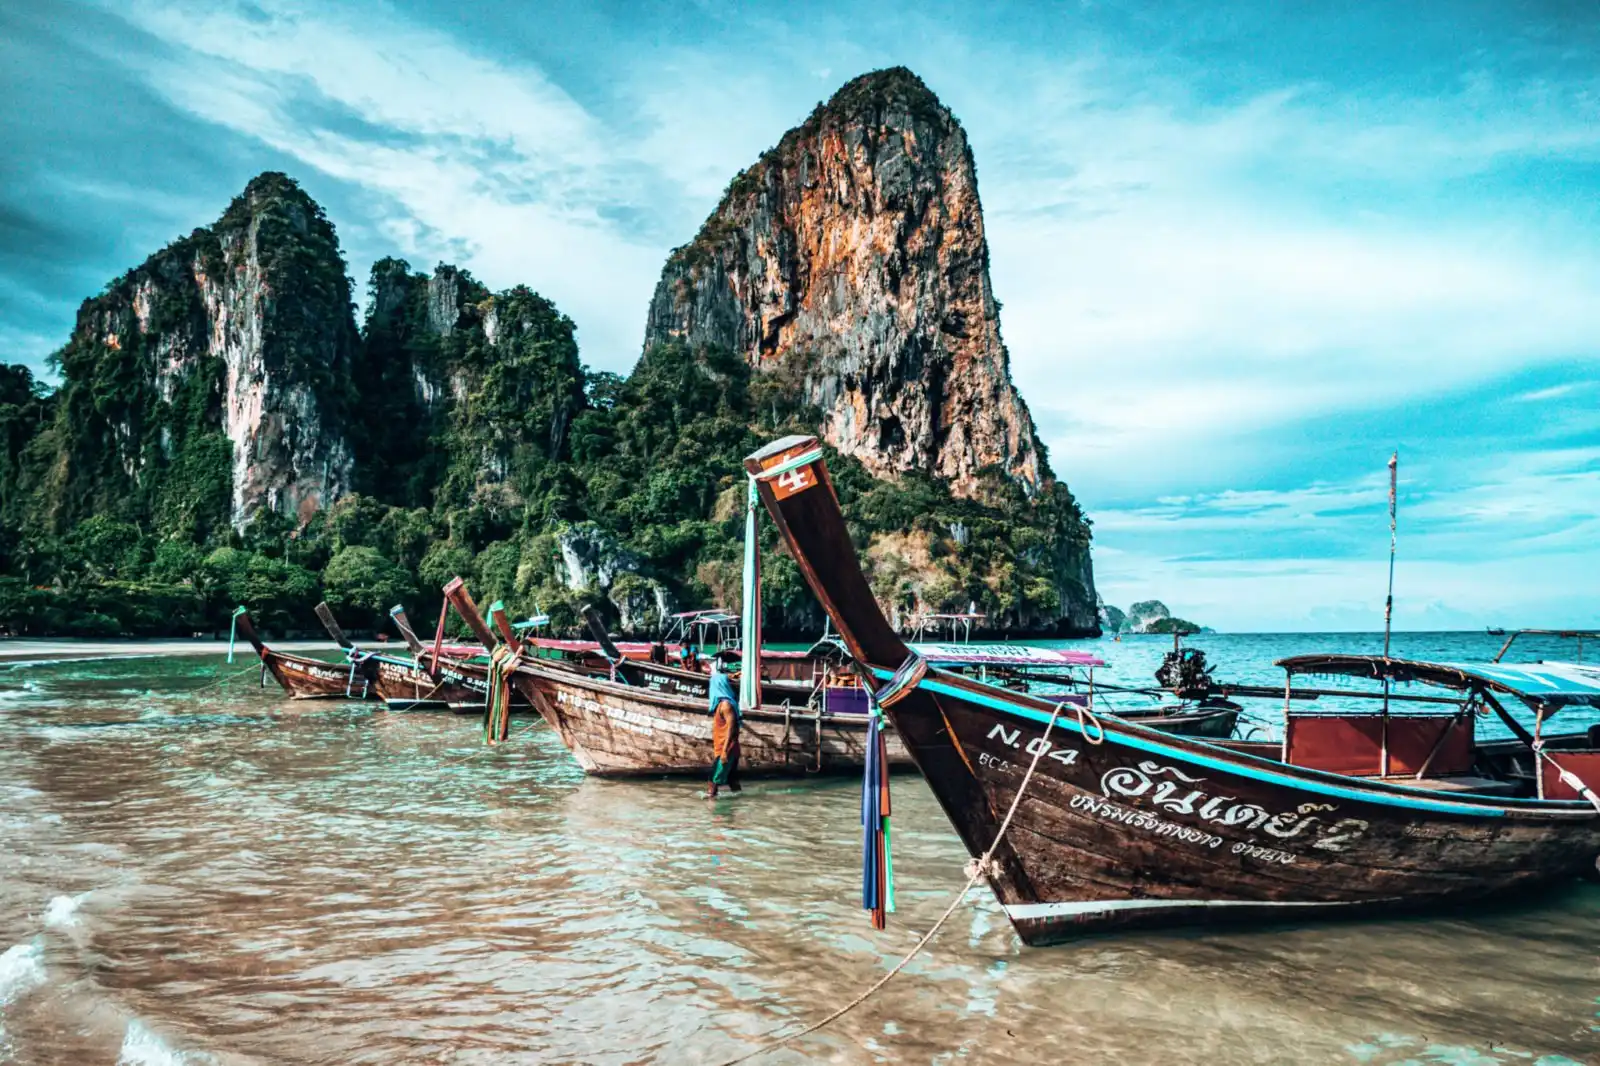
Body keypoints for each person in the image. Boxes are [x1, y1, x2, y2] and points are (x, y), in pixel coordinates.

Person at [706, 663, 741, 798]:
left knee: (712, 781)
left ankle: (712, 811)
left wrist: (725, 752)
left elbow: (731, 729)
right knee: (732, 781)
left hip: (726, 750)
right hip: (726, 749)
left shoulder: (726, 706)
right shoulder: (721, 705)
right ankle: (738, 806)